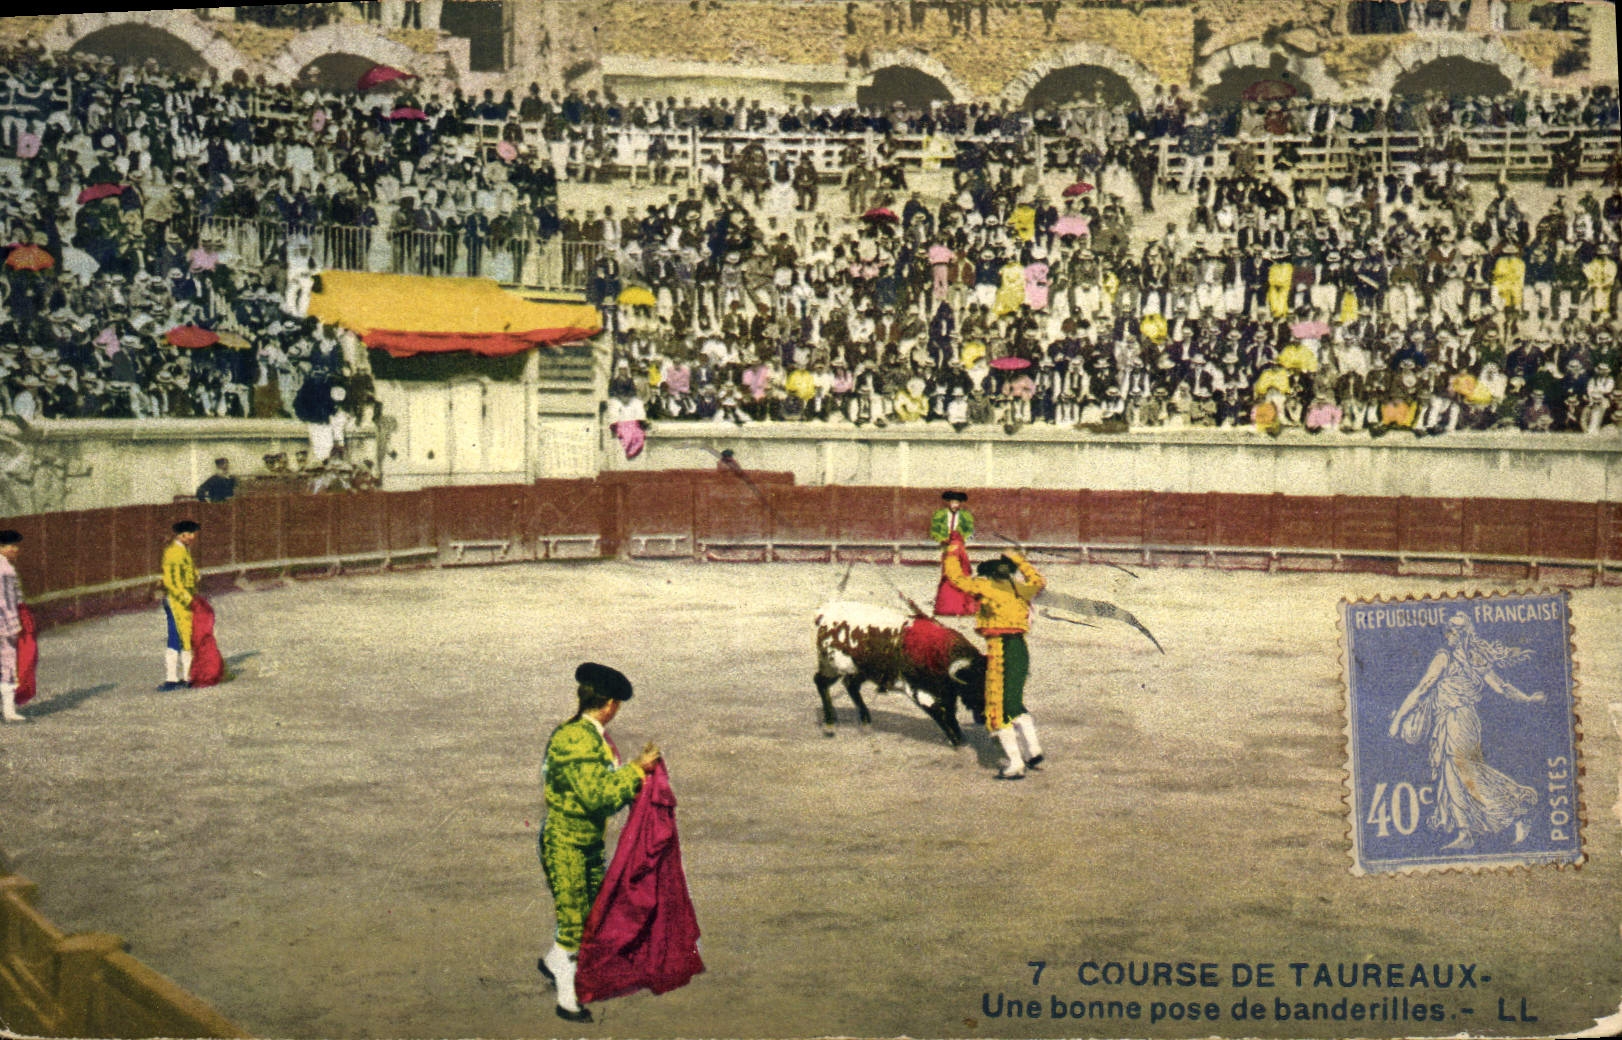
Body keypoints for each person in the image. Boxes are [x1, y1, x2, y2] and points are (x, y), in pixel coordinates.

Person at [539, 662, 661, 1023]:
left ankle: (553, 963)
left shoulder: (582, 733)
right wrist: (638, 770)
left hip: (584, 841)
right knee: (576, 921)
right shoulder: (578, 739)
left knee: (590, 914)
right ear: (610, 705)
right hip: (567, 843)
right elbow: (598, 796)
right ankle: (568, 1000)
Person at [1387, 612, 1543, 850]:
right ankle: (1465, 832)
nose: (1451, 633)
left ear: (1466, 632)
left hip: (1461, 720)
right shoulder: (1447, 657)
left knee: (1465, 770)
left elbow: (1500, 686)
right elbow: (1423, 688)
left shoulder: (1469, 658)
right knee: (1451, 774)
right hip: (1446, 721)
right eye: (1450, 628)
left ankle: (1518, 805)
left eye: (1457, 629)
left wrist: (1527, 698)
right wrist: (1399, 718)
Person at [943, 549, 1047, 780]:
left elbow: (957, 579)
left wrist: (950, 553)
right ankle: (1034, 753)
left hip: (1000, 649)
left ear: (989, 575)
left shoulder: (986, 587)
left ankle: (1015, 763)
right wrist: (1019, 559)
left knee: (996, 709)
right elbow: (1038, 581)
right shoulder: (1020, 588)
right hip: (1020, 649)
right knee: (1013, 703)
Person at [160, 519, 201, 691]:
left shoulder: (182, 550)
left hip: (184, 600)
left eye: (193, 533)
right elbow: (171, 582)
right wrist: (187, 598)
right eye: (189, 533)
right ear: (181, 535)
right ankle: (172, 678)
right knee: (176, 637)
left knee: (186, 636)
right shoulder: (174, 552)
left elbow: (189, 573)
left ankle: (186, 676)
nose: (192, 537)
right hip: (177, 601)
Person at [929, 490, 978, 617]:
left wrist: (961, 539)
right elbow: (934, 531)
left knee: (962, 573)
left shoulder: (966, 516)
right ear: (948, 503)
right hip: (946, 546)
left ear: (960, 504)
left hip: (960, 547)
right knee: (948, 573)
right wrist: (942, 539)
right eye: (953, 502)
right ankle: (947, 604)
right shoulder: (940, 514)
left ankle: (963, 605)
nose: (955, 505)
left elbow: (970, 531)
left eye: (957, 502)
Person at [1, 529, 26, 722]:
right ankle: (8, 711)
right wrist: (12, 625)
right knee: (7, 661)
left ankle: (8, 710)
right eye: (12, 546)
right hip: (3, 622)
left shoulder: (6, 566)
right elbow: (5, 601)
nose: (16, 549)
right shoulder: (4, 569)